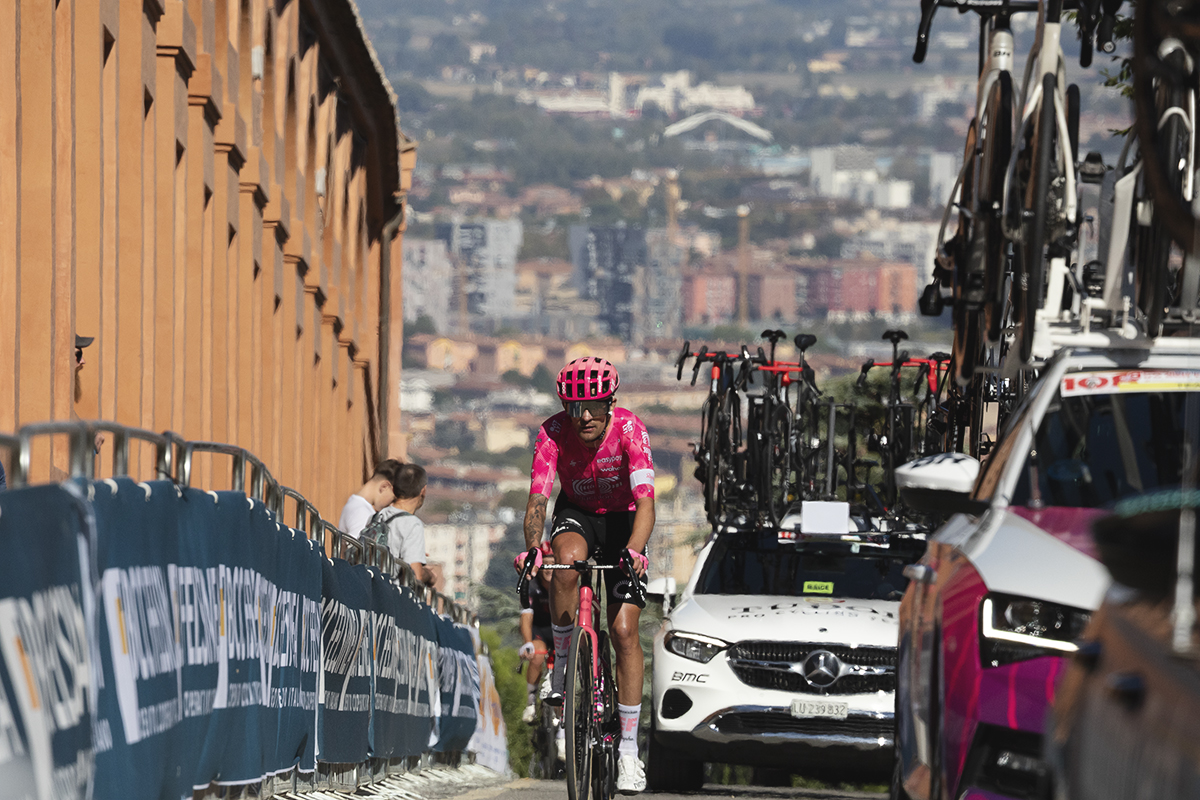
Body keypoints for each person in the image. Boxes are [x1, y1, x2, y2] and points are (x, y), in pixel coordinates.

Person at [515, 356, 655, 794]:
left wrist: (634, 550)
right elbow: (538, 499)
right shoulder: (552, 432)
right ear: (565, 407)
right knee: (565, 562)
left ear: (610, 403)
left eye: (594, 406)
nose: (586, 417)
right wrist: (533, 546)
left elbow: (646, 502)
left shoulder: (630, 430)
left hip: (625, 521)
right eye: (576, 407)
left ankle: (628, 751)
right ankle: (562, 666)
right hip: (578, 513)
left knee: (624, 630)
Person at [377, 463, 433, 585]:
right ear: (423, 491)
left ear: (393, 489)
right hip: (392, 593)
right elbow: (414, 576)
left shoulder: (377, 516)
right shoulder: (412, 525)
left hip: (371, 588)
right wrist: (429, 576)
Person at [338, 458, 403, 538]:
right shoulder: (362, 513)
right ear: (384, 486)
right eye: (393, 499)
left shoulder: (355, 504)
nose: (391, 504)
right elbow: (356, 545)